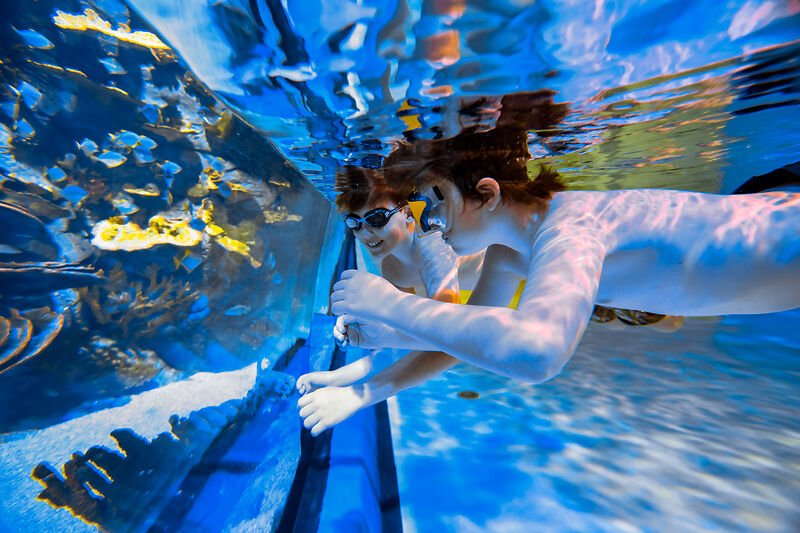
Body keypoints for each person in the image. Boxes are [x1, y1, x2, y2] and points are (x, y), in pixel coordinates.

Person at [327, 126, 800, 389]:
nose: (431, 221)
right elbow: (473, 332)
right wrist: (386, 333)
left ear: (486, 194)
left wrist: (391, 305)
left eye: (437, 201)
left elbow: (535, 352)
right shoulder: (510, 253)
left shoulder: (570, 229)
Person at [296, 165, 471, 436]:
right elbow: (401, 342)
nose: (366, 233)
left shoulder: (432, 242)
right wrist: (337, 377)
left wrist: (358, 394)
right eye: (355, 222)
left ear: (406, 211)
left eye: (377, 219)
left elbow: (449, 338)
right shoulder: (393, 267)